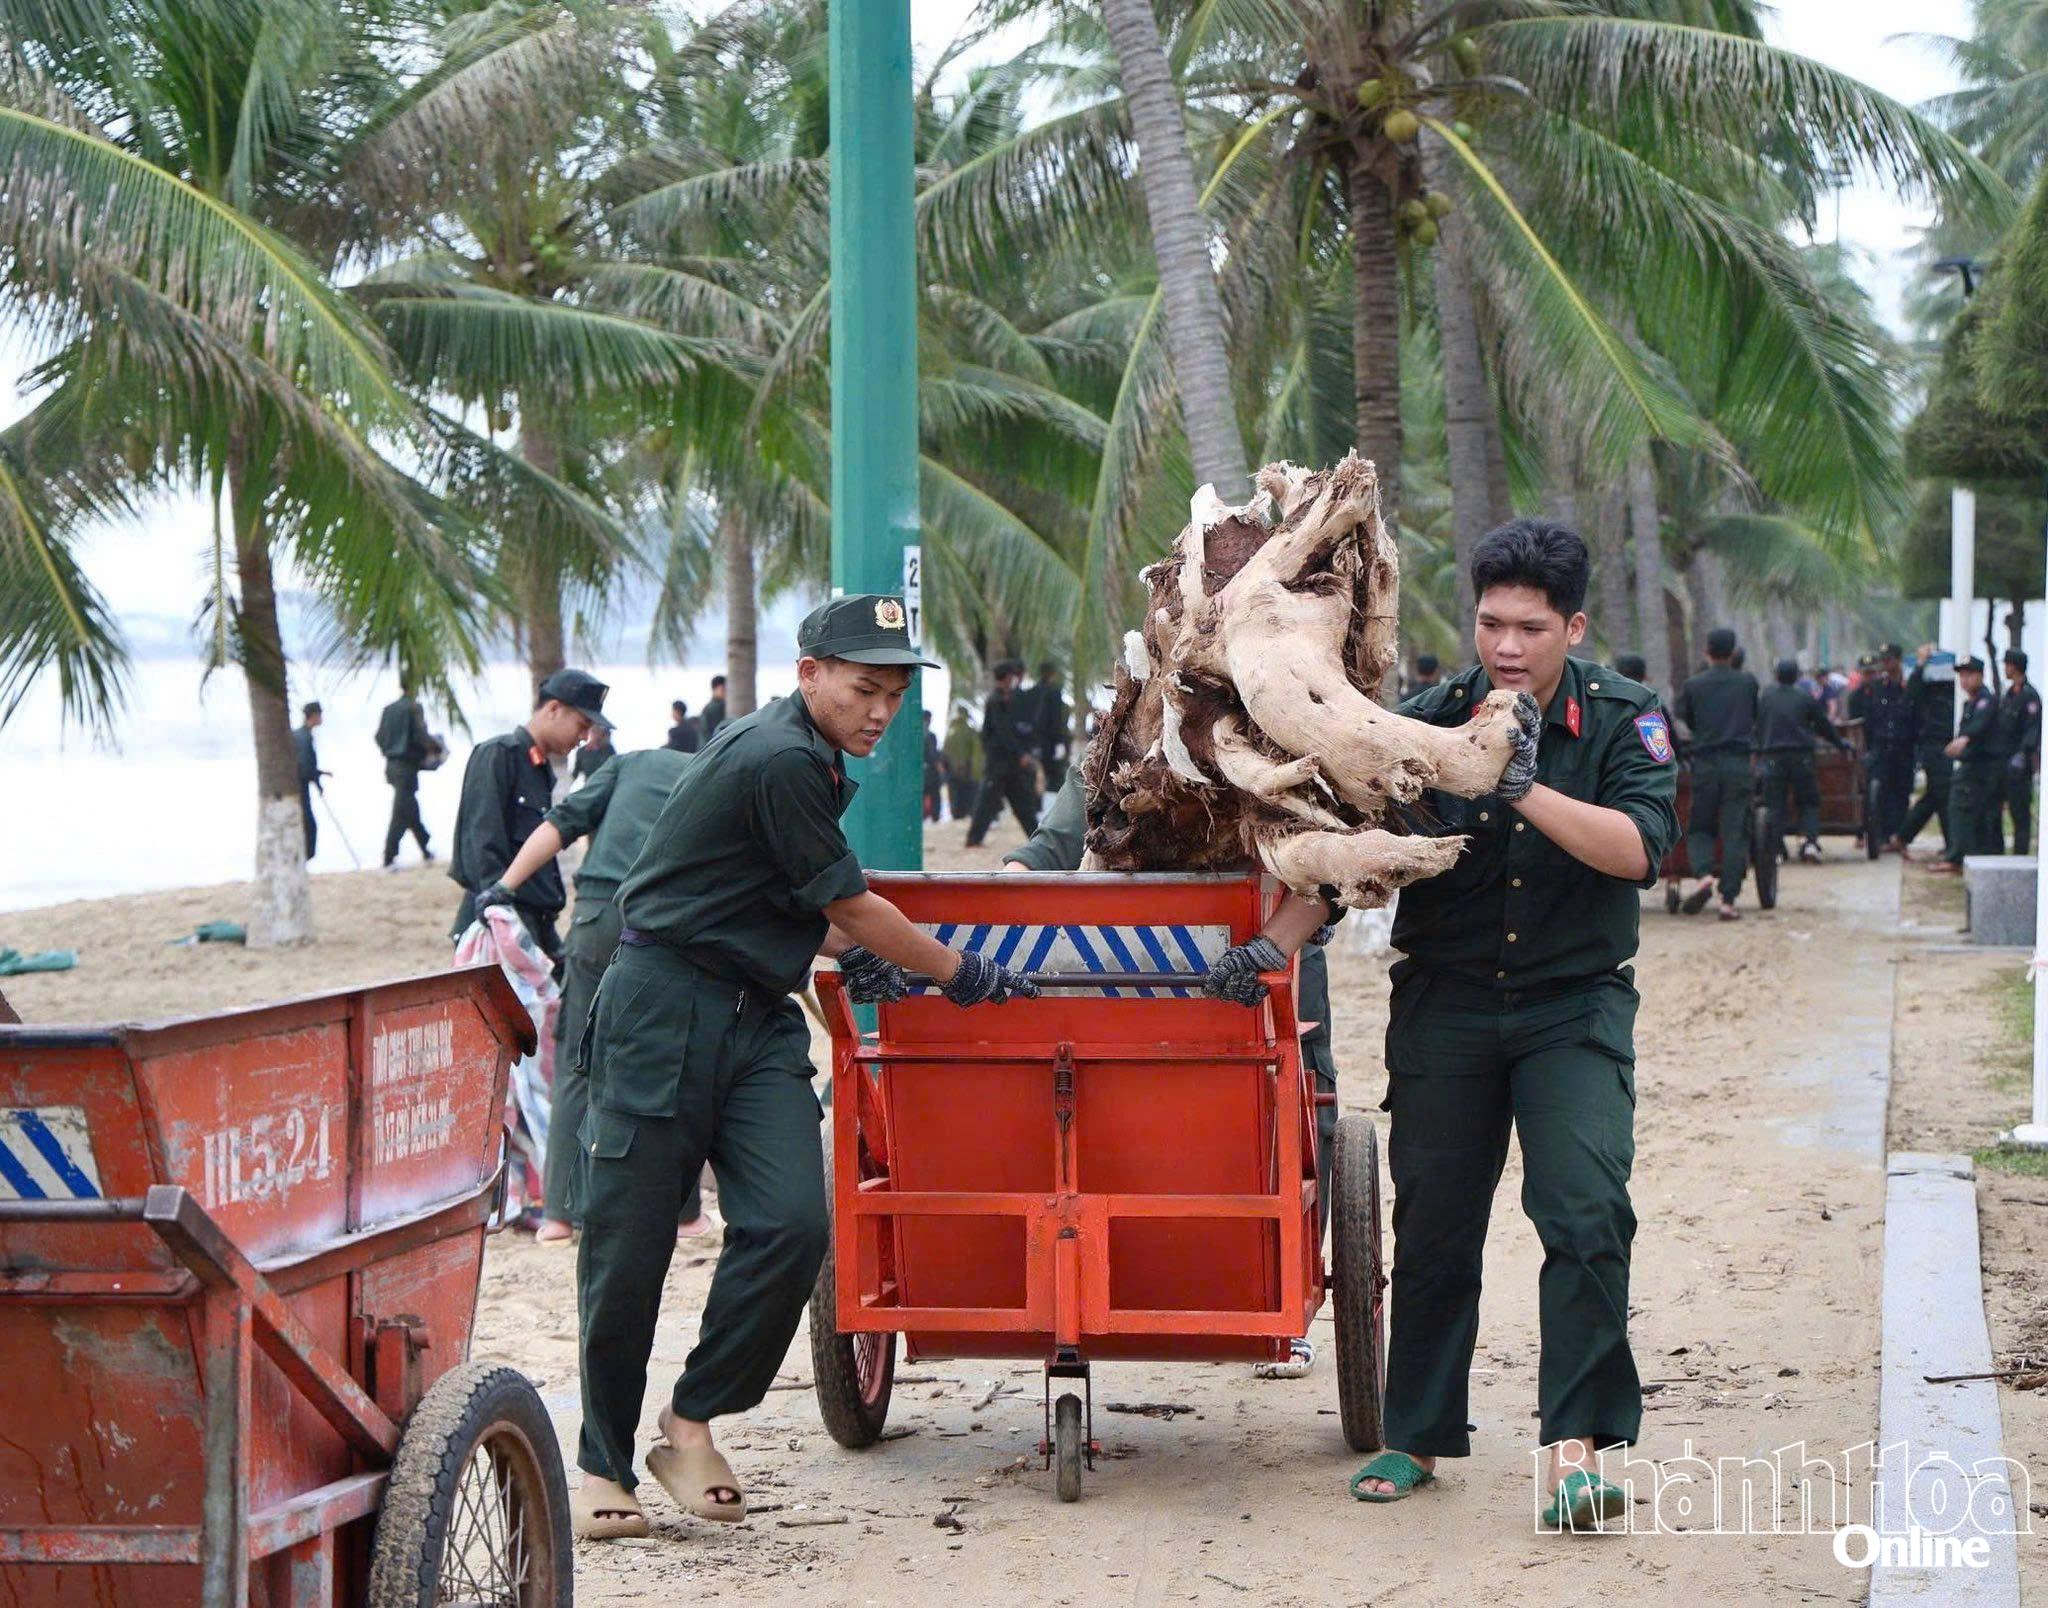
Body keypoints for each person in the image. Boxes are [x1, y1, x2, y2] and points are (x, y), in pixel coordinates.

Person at [570, 594, 1039, 1542]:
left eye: (895, 696)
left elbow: (772, 897)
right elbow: (851, 905)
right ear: (809, 674)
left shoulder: (813, 760)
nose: (881, 712)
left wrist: (848, 952)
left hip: (757, 1021)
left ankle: (689, 1422)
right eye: (864, 690)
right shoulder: (778, 755)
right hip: (662, 1010)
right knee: (628, 1249)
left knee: (791, 1222)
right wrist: (955, 971)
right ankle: (601, 1464)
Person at [1348, 518, 1677, 1529]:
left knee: (1586, 1212)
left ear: (1571, 628)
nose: (1505, 646)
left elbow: (1639, 849)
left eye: (1530, 628)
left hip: (1571, 1006)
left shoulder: (1623, 719)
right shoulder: (1426, 722)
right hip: (1445, 1004)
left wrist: (1519, 784)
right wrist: (1272, 943)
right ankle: (1415, 1436)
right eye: (1490, 623)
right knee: (1434, 1223)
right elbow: (1358, 847)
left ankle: (1575, 1453)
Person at [1003, 769, 1342, 1378]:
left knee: (1296, 1102)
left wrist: (1279, 939)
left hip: (1272, 943)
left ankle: (1286, 1295)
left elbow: (1328, 866)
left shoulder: (1283, 758)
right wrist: (998, 904)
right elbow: (1047, 849)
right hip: (1149, 953)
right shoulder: (1121, 752)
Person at [476, 742, 704, 1243]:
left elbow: (560, 825)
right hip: (668, 925)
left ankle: (558, 1215)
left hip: (597, 919)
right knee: (673, 1065)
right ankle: (685, 1216)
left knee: (577, 1063)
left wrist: (504, 887)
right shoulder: (713, 772)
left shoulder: (628, 764)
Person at [448, 667, 610, 960]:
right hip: (501, 921)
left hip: (536, 922)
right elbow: (482, 848)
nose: (585, 737)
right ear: (553, 709)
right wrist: (500, 918)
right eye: (582, 724)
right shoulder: (499, 754)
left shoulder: (539, 768)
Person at [1672, 627, 1759, 920]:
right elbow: (1754, 716)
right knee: (1735, 830)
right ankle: (1728, 900)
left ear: (1706, 652)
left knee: (1700, 826)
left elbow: (1686, 717)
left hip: (1706, 763)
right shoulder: (1747, 682)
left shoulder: (1694, 685)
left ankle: (1703, 875)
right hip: (1738, 763)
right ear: (1733, 653)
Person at [1757, 658, 1848, 864]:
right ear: (1797, 677)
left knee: (1775, 803)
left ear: (1776, 676)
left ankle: (1777, 849)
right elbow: (1822, 724)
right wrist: (1839, 743)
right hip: (1802, 756)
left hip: (1773, 756)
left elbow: (1758, 725)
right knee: (1808, 800)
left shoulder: (1766, 698)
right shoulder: (1805, 697)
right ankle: (1809, 843)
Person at [1933, 657, 2004, 874]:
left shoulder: (1986, 701)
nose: (1964, 680)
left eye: (1969, 675)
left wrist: (1965, 739)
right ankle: (1969, 856)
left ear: (1980, 676)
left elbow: (1979, 726)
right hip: (1971, 765)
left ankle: (1958, 857)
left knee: (1963, 810)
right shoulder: (1969, 703)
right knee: (1968, 813)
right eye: (1962, 675)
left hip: (1982, 767)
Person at [965, 660, 1042, 846]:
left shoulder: (1003, 699)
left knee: (1022, 803)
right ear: (1007, 677)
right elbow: (1002, 733)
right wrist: (1020, 754)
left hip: (1007, 764)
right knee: (987, 803)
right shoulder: (997, 701)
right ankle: (974, 839)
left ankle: (1037, 839)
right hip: (999, 763)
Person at [1849, 646, 1915, 851]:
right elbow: (1865, 723)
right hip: (1880, 748)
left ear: (1898, 660)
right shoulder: (1876, 689)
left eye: (1889, 660)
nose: (1885, 665)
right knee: (1879, 792)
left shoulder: (1909, 687)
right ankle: (1880, 835)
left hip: (1903, 748)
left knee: (1901, 793)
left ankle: (1897, 835)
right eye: (1883, 661)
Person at [375, 682, 434, 869]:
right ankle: (389, 856)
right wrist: (435, 748)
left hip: (392, 766)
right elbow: (421, 736)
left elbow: (379, 737)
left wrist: (389, 751)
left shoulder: (389, 709)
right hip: (406, 766)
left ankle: (425, 847)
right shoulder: (414, 708)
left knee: (408, 807)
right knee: (401, 811)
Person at [1997, 649, 2042, 856]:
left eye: (2007, 665)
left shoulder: (2029, 696)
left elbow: (2032, 729)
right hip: (2003, 762)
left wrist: (2023, 754)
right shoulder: (2009, 695)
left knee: (2020, 815)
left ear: (2014, 667)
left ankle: (2020, 855)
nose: (2005, 669)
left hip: (2019, 766)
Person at [1026, 661, 1071, 794]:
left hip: (1034, 742)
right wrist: (1060, 742)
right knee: (1056, 779)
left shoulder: (1031, 692)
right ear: (1052, 674)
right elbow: (1057, 719)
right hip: (1051, 742)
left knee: (1035, 778)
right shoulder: (1054, 692)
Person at [293, 701, 327, 861]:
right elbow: (306, 767)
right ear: (313, 716)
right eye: (320, 715)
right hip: (300, 787)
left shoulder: (300, 734)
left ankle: (303, 860)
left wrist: (319, 773)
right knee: (309, 826)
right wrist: (318, 782)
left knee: (306, 825)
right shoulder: (304, 737)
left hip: (298, 785)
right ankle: (304, 859)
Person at [942, 701, 980, 819]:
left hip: (953, 770)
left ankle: (957, 813)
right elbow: (976, 753)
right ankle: (964, 812)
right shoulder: (970, 731)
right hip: (966, 770)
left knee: (955, 793)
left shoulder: (950, 731)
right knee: (965, 793)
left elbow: (945, 752)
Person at [573, 715, 617, 784]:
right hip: (590, 785)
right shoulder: (582, 751)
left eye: (600, 732)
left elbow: (614, 769)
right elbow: (575, 772)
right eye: (594, 731)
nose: (597, 734)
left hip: (606, 784)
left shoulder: (609, 749)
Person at [922, 709, 945, 823]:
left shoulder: (913, 735)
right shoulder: (931, 736)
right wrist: (940, 769)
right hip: (930, 771)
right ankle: (935, 817)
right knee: (935, 794)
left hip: (918, 771)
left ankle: (922, 817)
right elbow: (933, 755)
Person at [700, 675, 727, 744]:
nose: (725, 693)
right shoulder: (712, 708)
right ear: (714, 689)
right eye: (723, 690)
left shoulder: (722, 706)